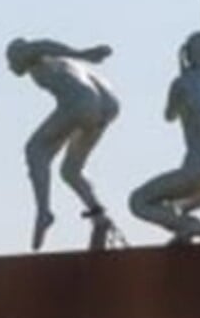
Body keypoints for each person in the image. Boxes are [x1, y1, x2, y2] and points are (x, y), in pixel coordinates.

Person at [129, 0, 200, 244]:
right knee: (176, 209)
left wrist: (182, 74)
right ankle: (194, 230)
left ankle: (194, 228)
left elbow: (169, 115)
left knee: (138, 201)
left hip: (198, 168)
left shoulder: (183, 83)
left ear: (188, 54)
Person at [7, 37, 121, 250]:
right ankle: (98, 214)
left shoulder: (32, 55)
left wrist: (83, 52)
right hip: (107, 107)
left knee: (34, 150)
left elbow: (44, 45)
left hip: (81, 103)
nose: (10, 66)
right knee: (71, 171)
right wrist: (83, 57)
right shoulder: (68, 66)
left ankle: (44, 212)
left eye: (10, 59)